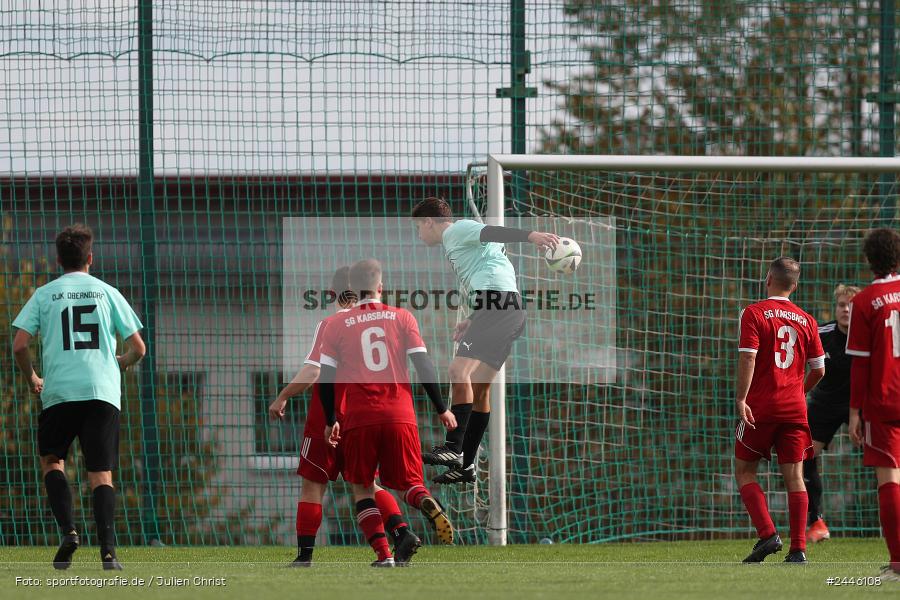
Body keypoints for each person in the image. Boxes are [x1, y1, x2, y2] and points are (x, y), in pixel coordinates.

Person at [12, 224, 145, 570]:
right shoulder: (107, 292)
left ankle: (69, 532)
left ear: (58, 259)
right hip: (101, 391)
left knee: (53, 461)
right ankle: (109, 552)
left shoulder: (44, 295)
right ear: (90, 257)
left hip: (59, 392)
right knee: (101, 474)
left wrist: (32, 378)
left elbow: (20, 345)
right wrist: (121, 363)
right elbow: (139, 349)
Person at [269, 266, 422, 566]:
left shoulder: (332, 324)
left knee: (313, 484)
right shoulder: (382, 322)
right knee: (366, 485)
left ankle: (304, 557)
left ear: (331, 294)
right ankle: (394, 542)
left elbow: (314, 371)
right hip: (362, 416)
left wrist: (283, 395)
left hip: (326, 417)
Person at [317, 259, 456, 566]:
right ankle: (425, 501)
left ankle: (384, 555)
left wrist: (330, 420)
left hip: (360, 417)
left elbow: (325, 379)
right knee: (409, 482)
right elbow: (423, 365)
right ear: (381, 287)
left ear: (352, 289)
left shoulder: (336, 324)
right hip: (400, 414)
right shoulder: (402, 317)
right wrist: (442, 408)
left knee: (363, 487)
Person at [411, 197, 558, 483]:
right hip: (508, 309)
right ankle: (466, 466)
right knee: (479, 390)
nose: (419, 234)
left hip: (498, 305)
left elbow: (491, 232)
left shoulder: (455, 231)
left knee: (457, 372)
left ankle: (453, 449)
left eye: (418, 227)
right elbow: (493, 271)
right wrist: (474, 319)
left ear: (429, 222)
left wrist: (531, 236)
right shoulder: (458, 242)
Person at [734, 257, 825, 564]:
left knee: (745, 471)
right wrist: (799, 391)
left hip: (760, 407)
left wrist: (741, 398)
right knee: (795, 477)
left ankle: (767, 534)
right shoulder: (807, 320)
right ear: (795, 286)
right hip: (795, 410)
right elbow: (819, 369)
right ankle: (798, 549)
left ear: (767, 278)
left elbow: (748, 358)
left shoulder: (754, 312)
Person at [846, 228, 900, 581]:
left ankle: (898, 563)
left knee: (890, 478)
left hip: (884, 403)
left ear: (869, 260)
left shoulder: (865, 301)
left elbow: (861, 363)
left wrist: (854, 412)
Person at [803, 284, 859, 543]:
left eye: (851, 305)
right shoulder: (821, 332)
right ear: (835, 308)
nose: (846, 309)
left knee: (887, 457)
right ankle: (816, 522)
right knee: (804, 455)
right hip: (824, 403)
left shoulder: (870, 335)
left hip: (861, 404)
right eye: (841, 305)